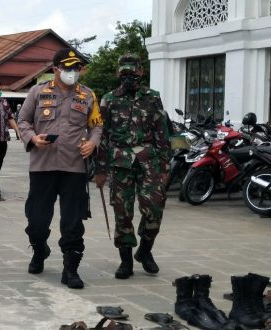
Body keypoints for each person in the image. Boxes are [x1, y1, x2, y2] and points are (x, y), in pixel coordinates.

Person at [18, 48, 103, 289]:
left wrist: (92, 143)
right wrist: (33, 139)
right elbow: (23, 121)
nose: (72, 72)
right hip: (42, 167)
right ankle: (39, 249)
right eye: (67, 68)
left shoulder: (87, 95)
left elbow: (96, 126)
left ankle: (71, 268)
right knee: (36, 220)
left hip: (73, 167)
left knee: (73, 221)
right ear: (55, 69)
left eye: (76, 68)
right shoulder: (37, 92)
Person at [94, 53, 172, 279]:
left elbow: (161, 131)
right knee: (122, 212)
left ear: (140, 72)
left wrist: (165, 166)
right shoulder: (109, 99)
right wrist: (100, 169)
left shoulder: (153, 97)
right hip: (120, 162)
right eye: (124, 73)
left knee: (154, 207)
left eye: (132, 72)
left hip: (149, 160)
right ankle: (126, 261)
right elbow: (104, 136)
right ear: (119, 74)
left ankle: (145, 251)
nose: (128, 77)